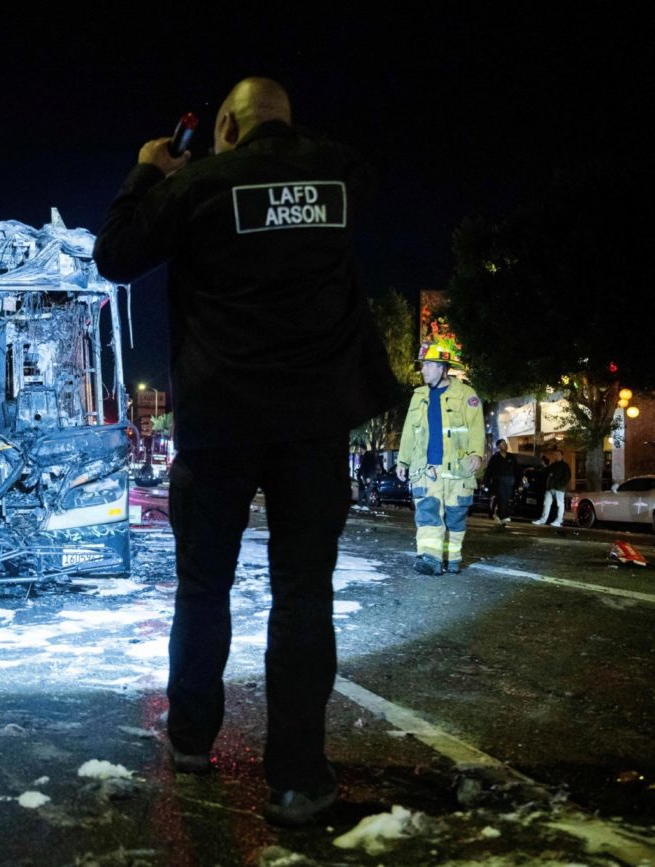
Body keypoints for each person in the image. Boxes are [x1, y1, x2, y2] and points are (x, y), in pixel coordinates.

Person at [93, 77, 395, 827]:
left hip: (219, 421)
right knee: (302, 594)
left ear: (224, 125)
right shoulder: (340, 176)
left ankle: (192, 739)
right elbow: (358, 172)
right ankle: (297, 780)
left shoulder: (198, 185)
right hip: (312, 425)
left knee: (204, 588)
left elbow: (114, 254)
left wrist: (148, 170)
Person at [397, 339, 485, 574]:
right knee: (427, 514)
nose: (422, 369)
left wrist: (477, 453)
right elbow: (409, 431)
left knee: (456, 518)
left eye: (427, 364)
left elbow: (477, 427)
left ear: (441, 368)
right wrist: (403, 460)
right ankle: (430, 558)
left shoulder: (467, 395)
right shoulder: (418, 396)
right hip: (426, 470)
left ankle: (453, 558)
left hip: (458, 471)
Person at [483, 439, 517, 525]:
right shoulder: (495, 457)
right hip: (498, 482)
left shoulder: (511, 457)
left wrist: (520, 478)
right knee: (501, 498)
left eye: (505, 444)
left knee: (506, 499)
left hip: (509, 482)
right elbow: (489, 470)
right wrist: (485, 482)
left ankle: (501, 515)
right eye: (502, 444)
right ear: (498, 447)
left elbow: (517, 469)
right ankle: (502, 516)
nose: (505, 445)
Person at [533, 449, 571, 526]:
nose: (557, 456)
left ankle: (558, 520)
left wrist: (560, 484)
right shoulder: (553, 465)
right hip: (551, 487)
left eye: (558, 455)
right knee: (547, 503)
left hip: (558, 488)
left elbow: (567, 477)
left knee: (559, 504)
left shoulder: (565, 466)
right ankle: (543, 520)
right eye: (556, 455)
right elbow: (545, 471)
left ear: (562, 456)